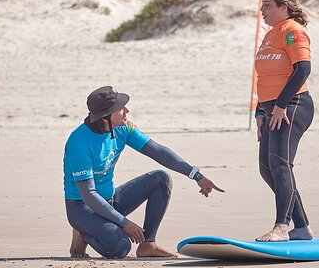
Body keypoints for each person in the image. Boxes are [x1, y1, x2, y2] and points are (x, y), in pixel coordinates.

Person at [63, 86, 224, 258]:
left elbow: (158, 151)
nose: (126, 110)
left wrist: (196, 175)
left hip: (110, 201)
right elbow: (89, 195)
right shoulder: (79, 143)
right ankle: (83, 232)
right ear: (105, 117)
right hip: (82, 208)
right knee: (120, 248)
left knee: (161, 179)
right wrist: (125, 223)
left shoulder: (123, 128)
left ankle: (148, 244)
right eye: (120, 109)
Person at [254, 0, 314, 242]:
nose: (262, 10)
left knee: (280, 163)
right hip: (272, 109)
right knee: (267, 167)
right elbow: (265, 76)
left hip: (293, 105)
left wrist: (279, 106)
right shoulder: (271, 33)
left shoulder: (292, 31)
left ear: (284, 6)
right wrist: (260, 110)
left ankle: (282, 226)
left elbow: (302, 69)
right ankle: (301, 227)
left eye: (267, 5)